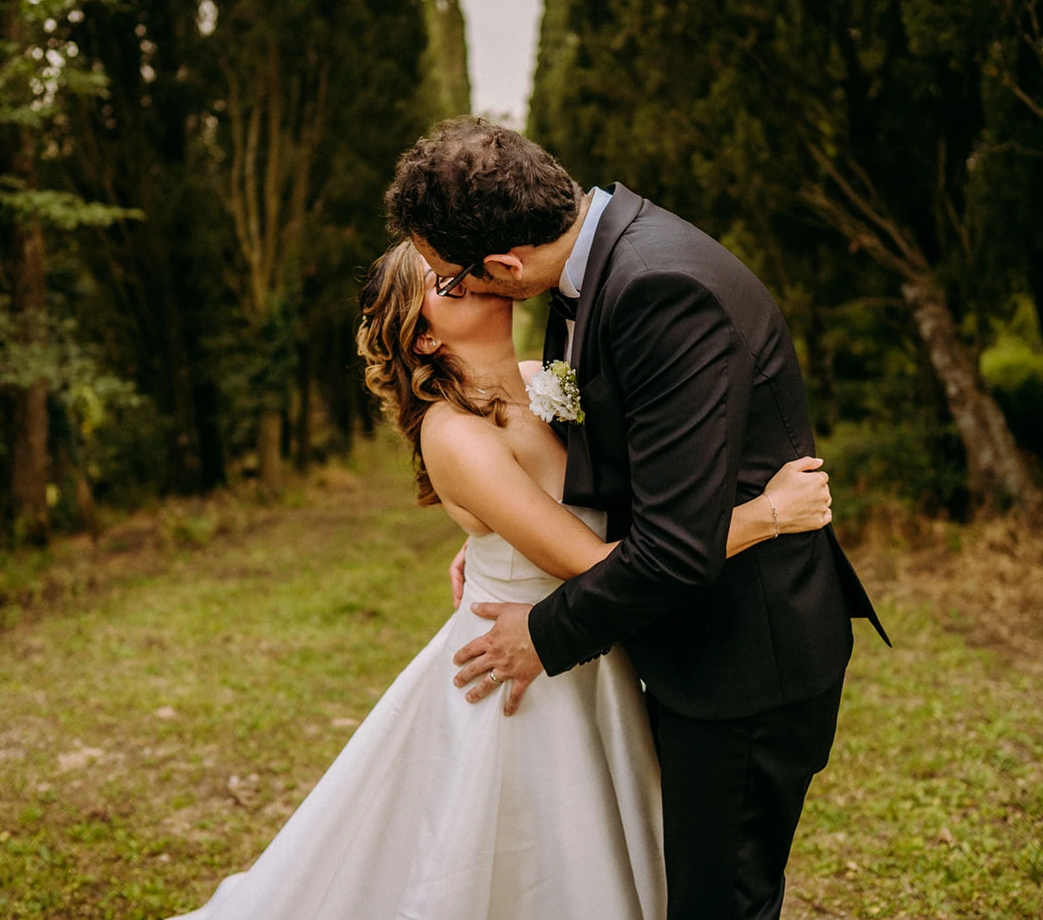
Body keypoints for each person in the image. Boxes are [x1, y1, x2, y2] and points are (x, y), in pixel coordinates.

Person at [167, 240, 837, 920]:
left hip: (594, 651)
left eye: (460, 261)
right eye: (439, 279)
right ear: (421, 335)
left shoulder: (543, 376)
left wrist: (485, 540)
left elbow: (625, 494)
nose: (462, 273)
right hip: (523, 671)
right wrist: (768, 514)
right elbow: (598, 562)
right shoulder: (452, 434)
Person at [384, 116, 890, 920]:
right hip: (683, 646)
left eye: (456, 276)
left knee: (716, 903)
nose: (465, 293)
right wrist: (504, 537)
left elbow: (673, 550)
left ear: (506, 264)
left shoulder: (658, 287)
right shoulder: (595, 267)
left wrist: (543, 630)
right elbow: (626, 456)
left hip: (744, 654)